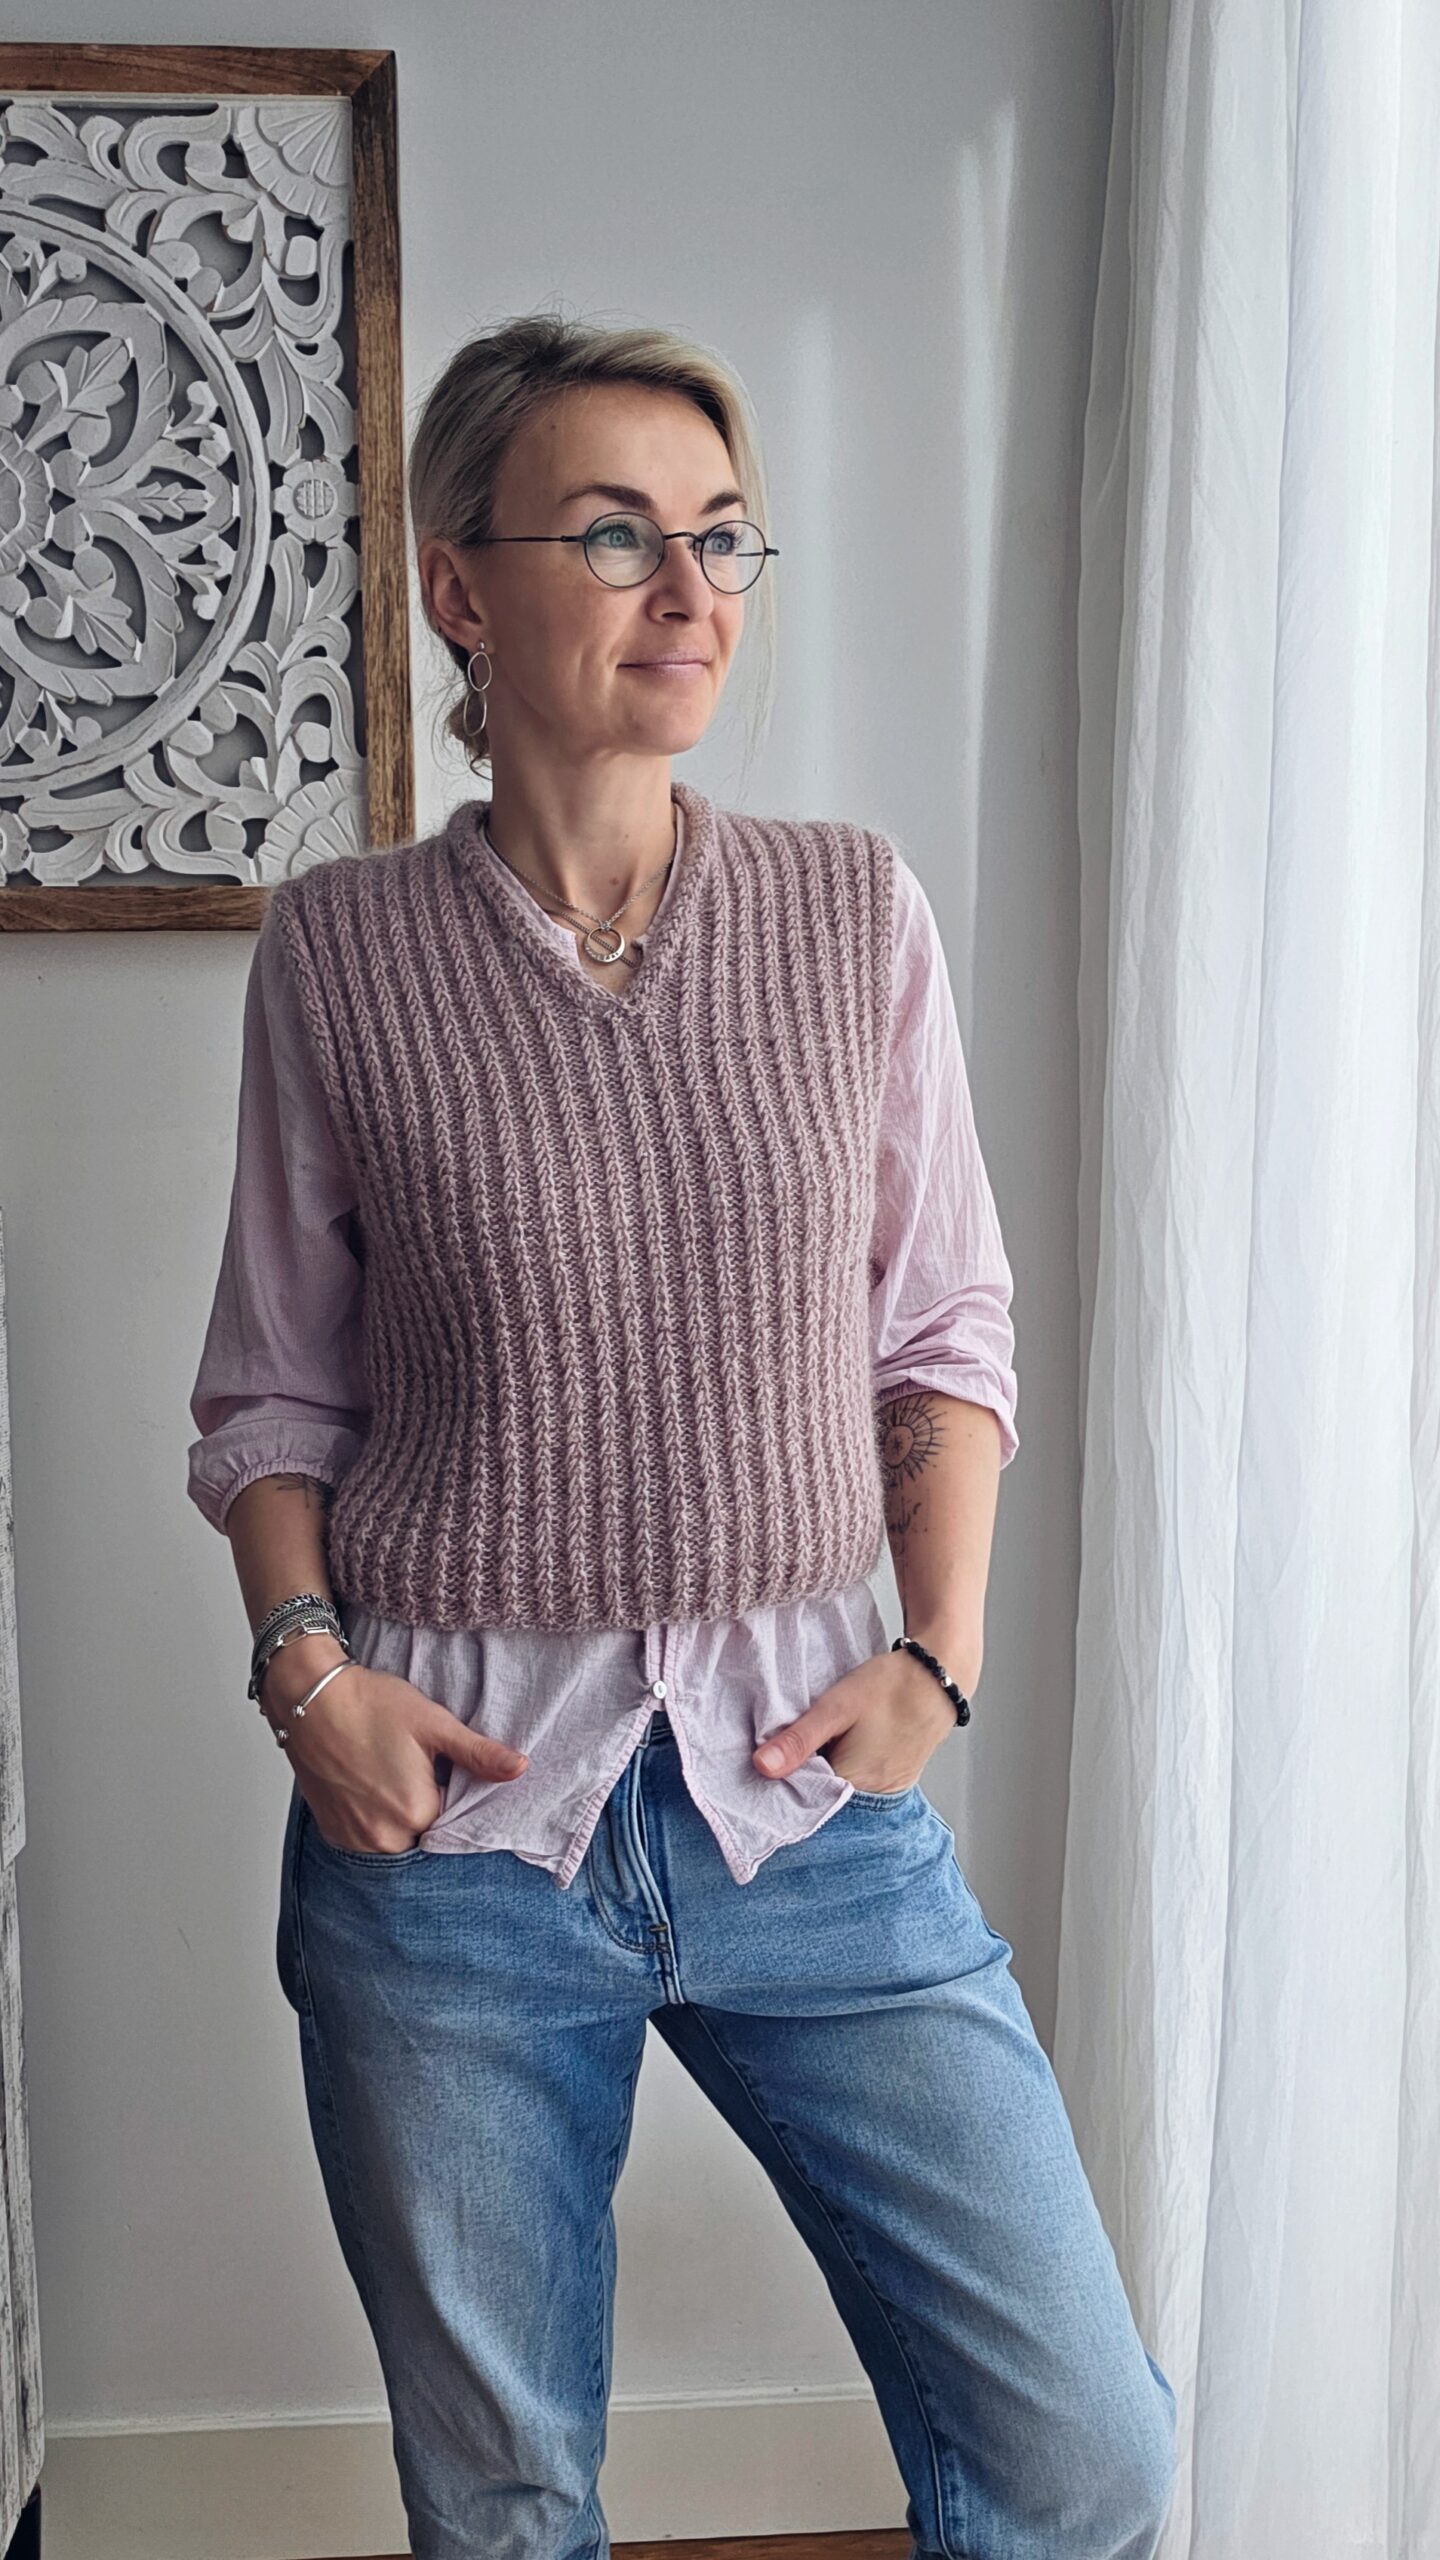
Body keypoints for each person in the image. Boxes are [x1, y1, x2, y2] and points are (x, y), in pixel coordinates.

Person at [186, 311, 1177, 2560]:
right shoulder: (340, 952)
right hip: (456, 1823)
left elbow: (946, 1325)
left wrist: (939, 1656)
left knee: (1082, 2449)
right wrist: (308, 1679)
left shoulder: (849, 910)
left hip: (804, 1797)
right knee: (506, 2507)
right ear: (461, 587)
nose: (693, 588)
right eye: (621, 534)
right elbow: (271, 1386)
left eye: (724, 537)